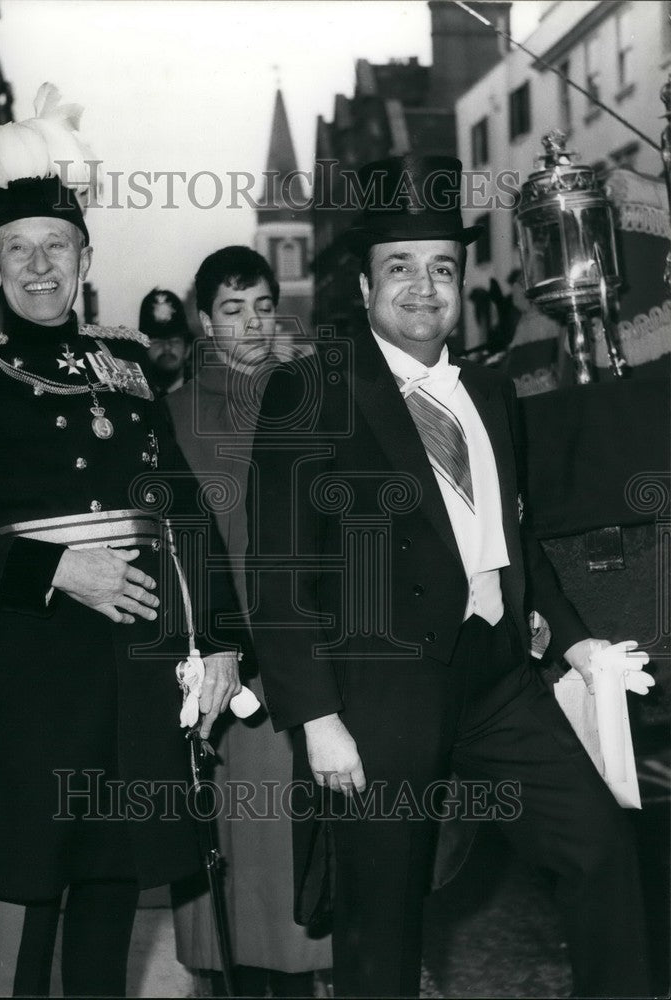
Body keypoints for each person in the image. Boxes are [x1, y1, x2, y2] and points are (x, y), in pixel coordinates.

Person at [249, 154, 650, 998]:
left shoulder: (490, 392)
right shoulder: (311, 390)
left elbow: (515, 534)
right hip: (379, 691)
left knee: (600, 848)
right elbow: (280, 573)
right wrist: (316, 716)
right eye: (400, 268)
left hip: (497, 680)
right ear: (362, 287)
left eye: (442, 269)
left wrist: (573, 643)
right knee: (382, 917)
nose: (424, 288)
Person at [0, 84, 241, 998]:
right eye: (19, 250)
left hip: (135, 675)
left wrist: (226, 641)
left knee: (114, 887)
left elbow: (186, 510)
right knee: (29, 889)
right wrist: (55, 570)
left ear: (86, 256)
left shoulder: (127, 372)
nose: (39, 266)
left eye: (56, 246)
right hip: (32, 677)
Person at [167, 247, 331, 997]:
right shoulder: (172, 413)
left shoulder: (310, 397)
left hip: (306, 651)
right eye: (233, 310)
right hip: (223, 660)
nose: (253, 325)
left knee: (302, 847)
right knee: (230, 853)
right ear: (205, 322)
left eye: (264, 307)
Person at [139, 287, 193, 395]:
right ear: (143, 349)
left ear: (187, 349)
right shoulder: (132, 401)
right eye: (157, 341)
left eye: (174, 340)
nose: (167, 347)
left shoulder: (207, 399)